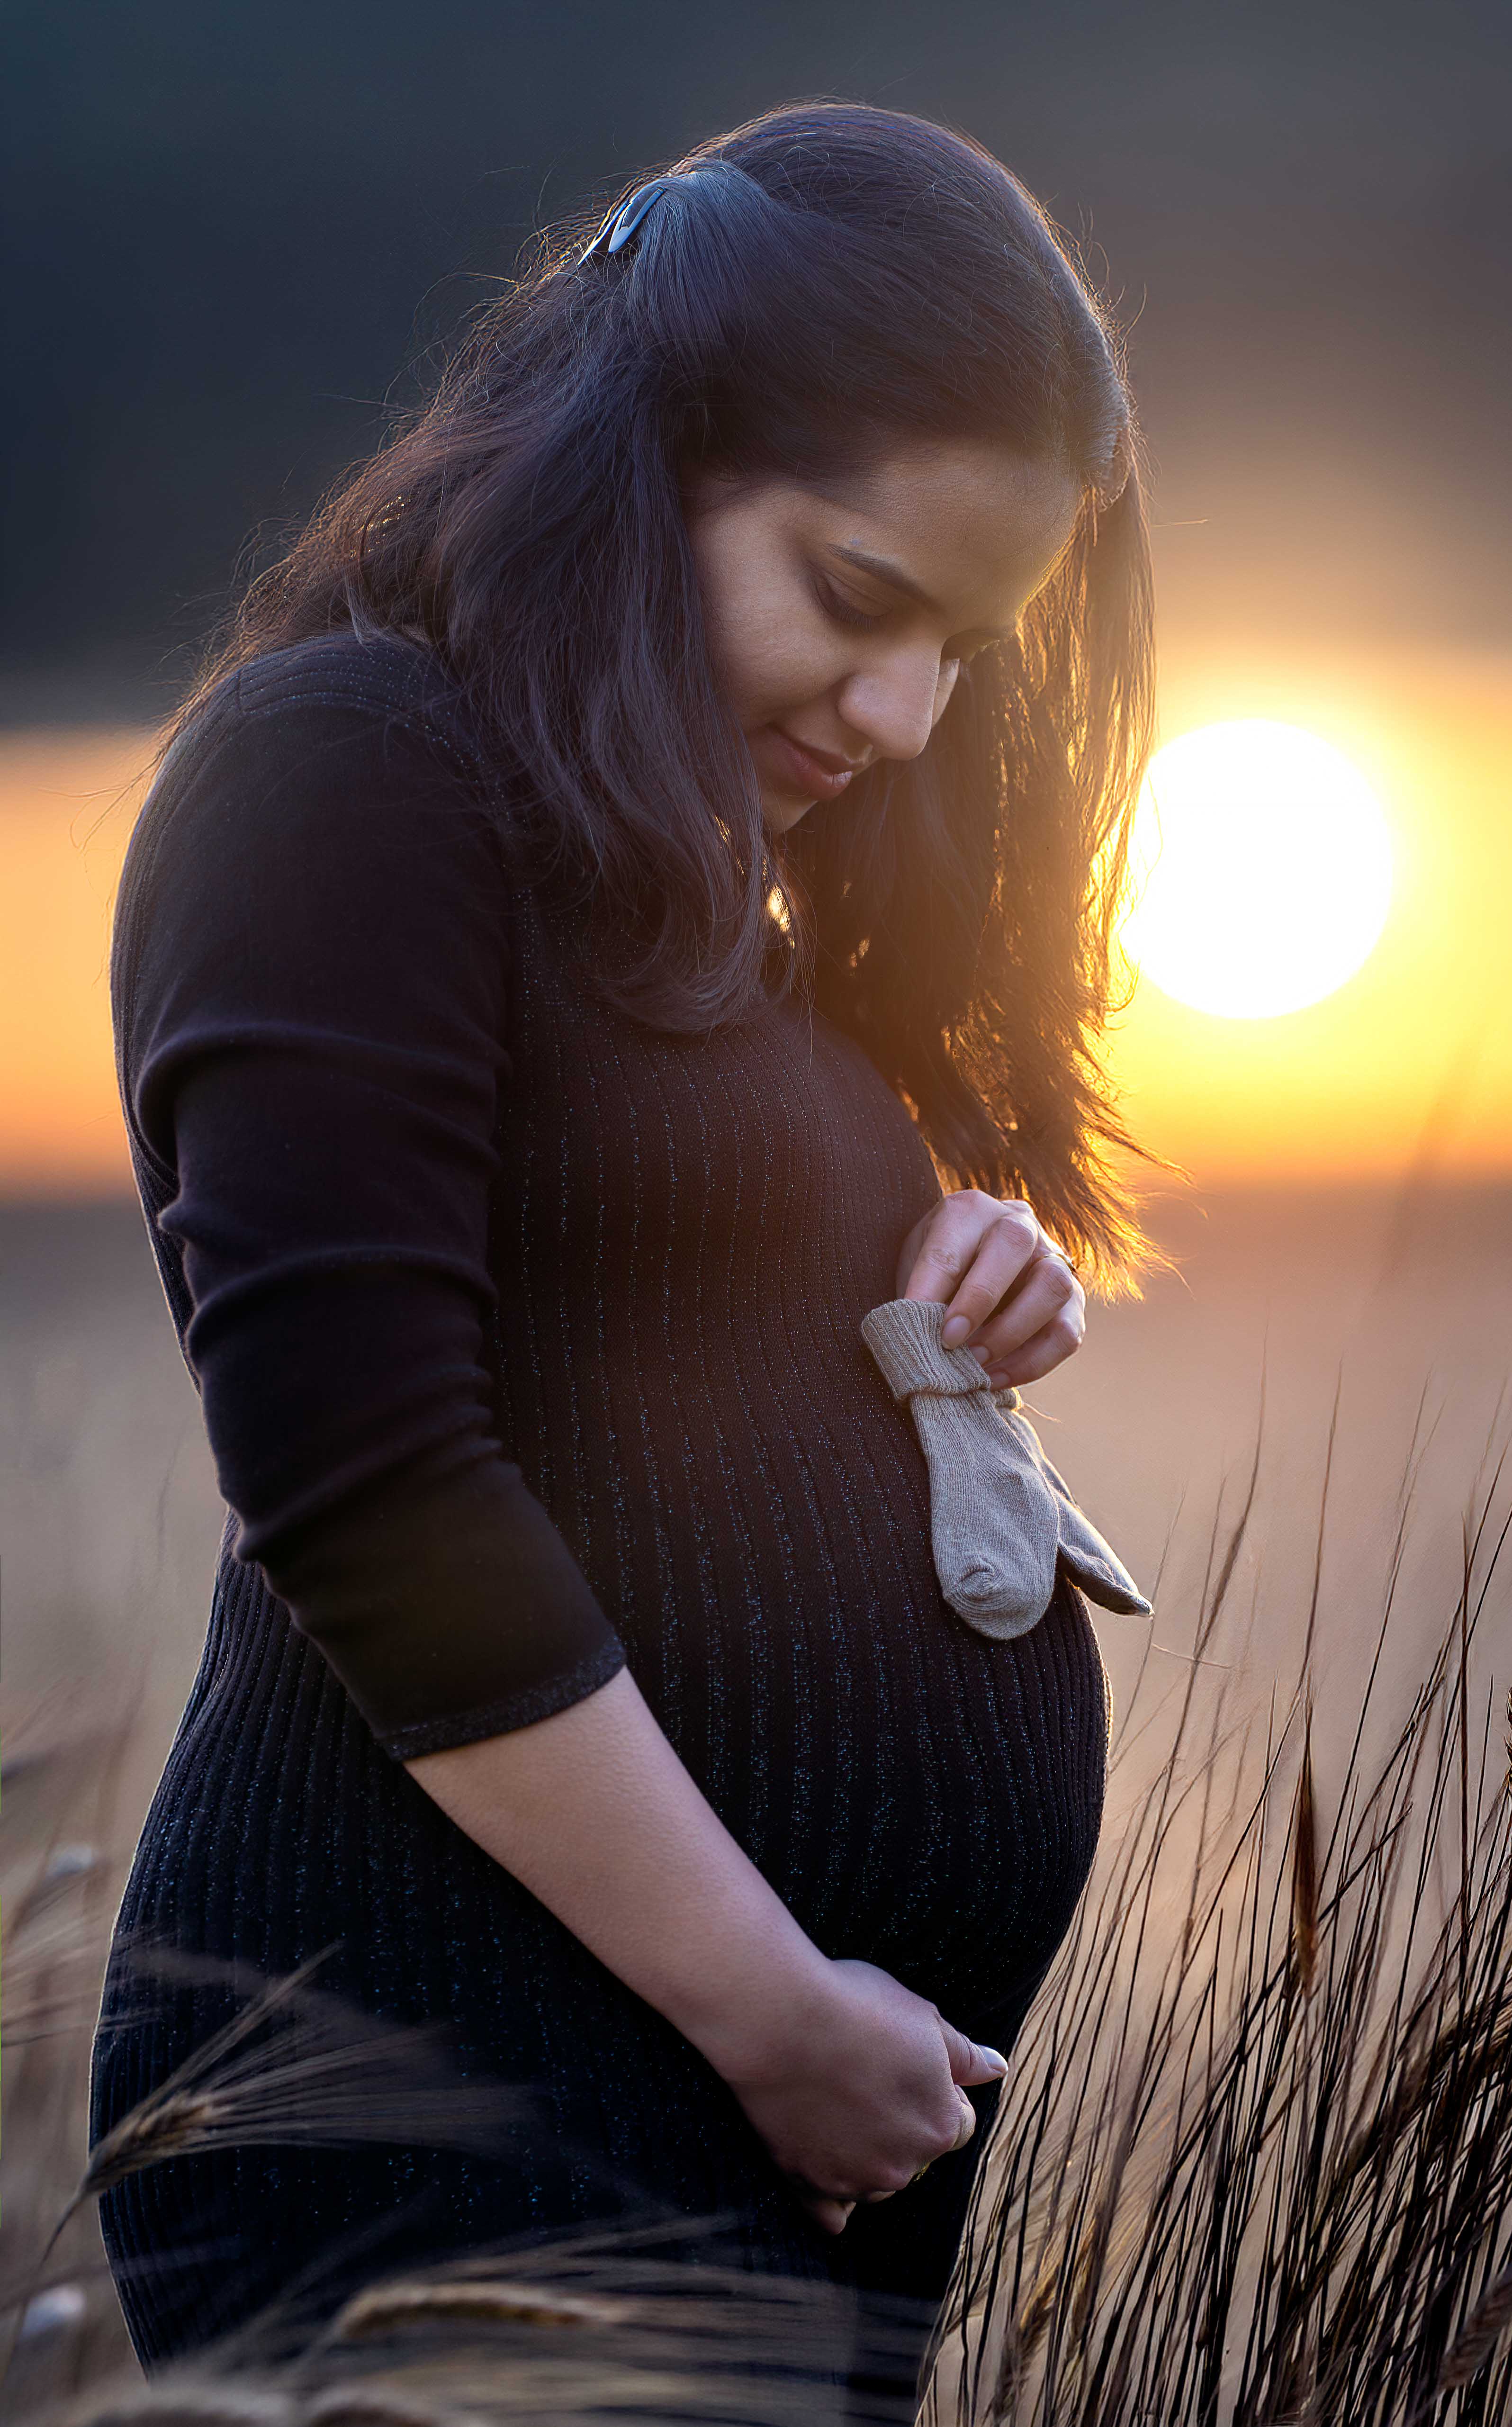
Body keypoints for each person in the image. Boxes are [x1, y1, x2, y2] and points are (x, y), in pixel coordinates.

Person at [88, 98, 1175, 2416]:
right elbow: (362, 1480)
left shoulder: (678, 911)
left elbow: (652, 1283)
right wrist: (777, 2014)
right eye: (858, 601)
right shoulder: (344, 771)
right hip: (435, 2122)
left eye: (960, 651)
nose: (898, 717)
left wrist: (950, 1275)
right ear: (638, 461)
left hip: (707, 2138)